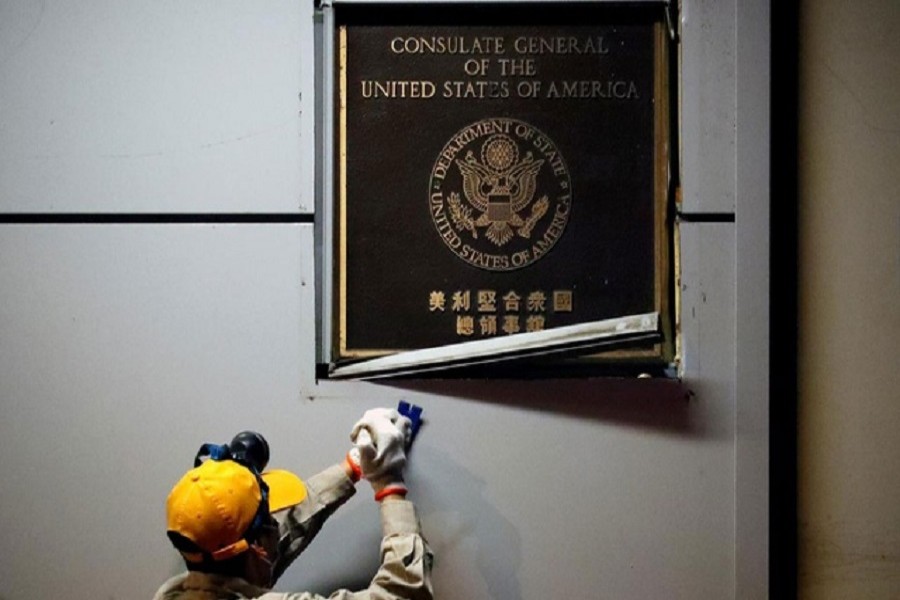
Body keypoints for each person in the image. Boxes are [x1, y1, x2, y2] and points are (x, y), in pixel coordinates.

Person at [153, 408, 433, 600]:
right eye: (271, 519)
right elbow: (403, 593)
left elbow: (276, 545)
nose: (279, 522)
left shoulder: (172, 592)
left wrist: (354, 466)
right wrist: (389, 485)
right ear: (256, 550)